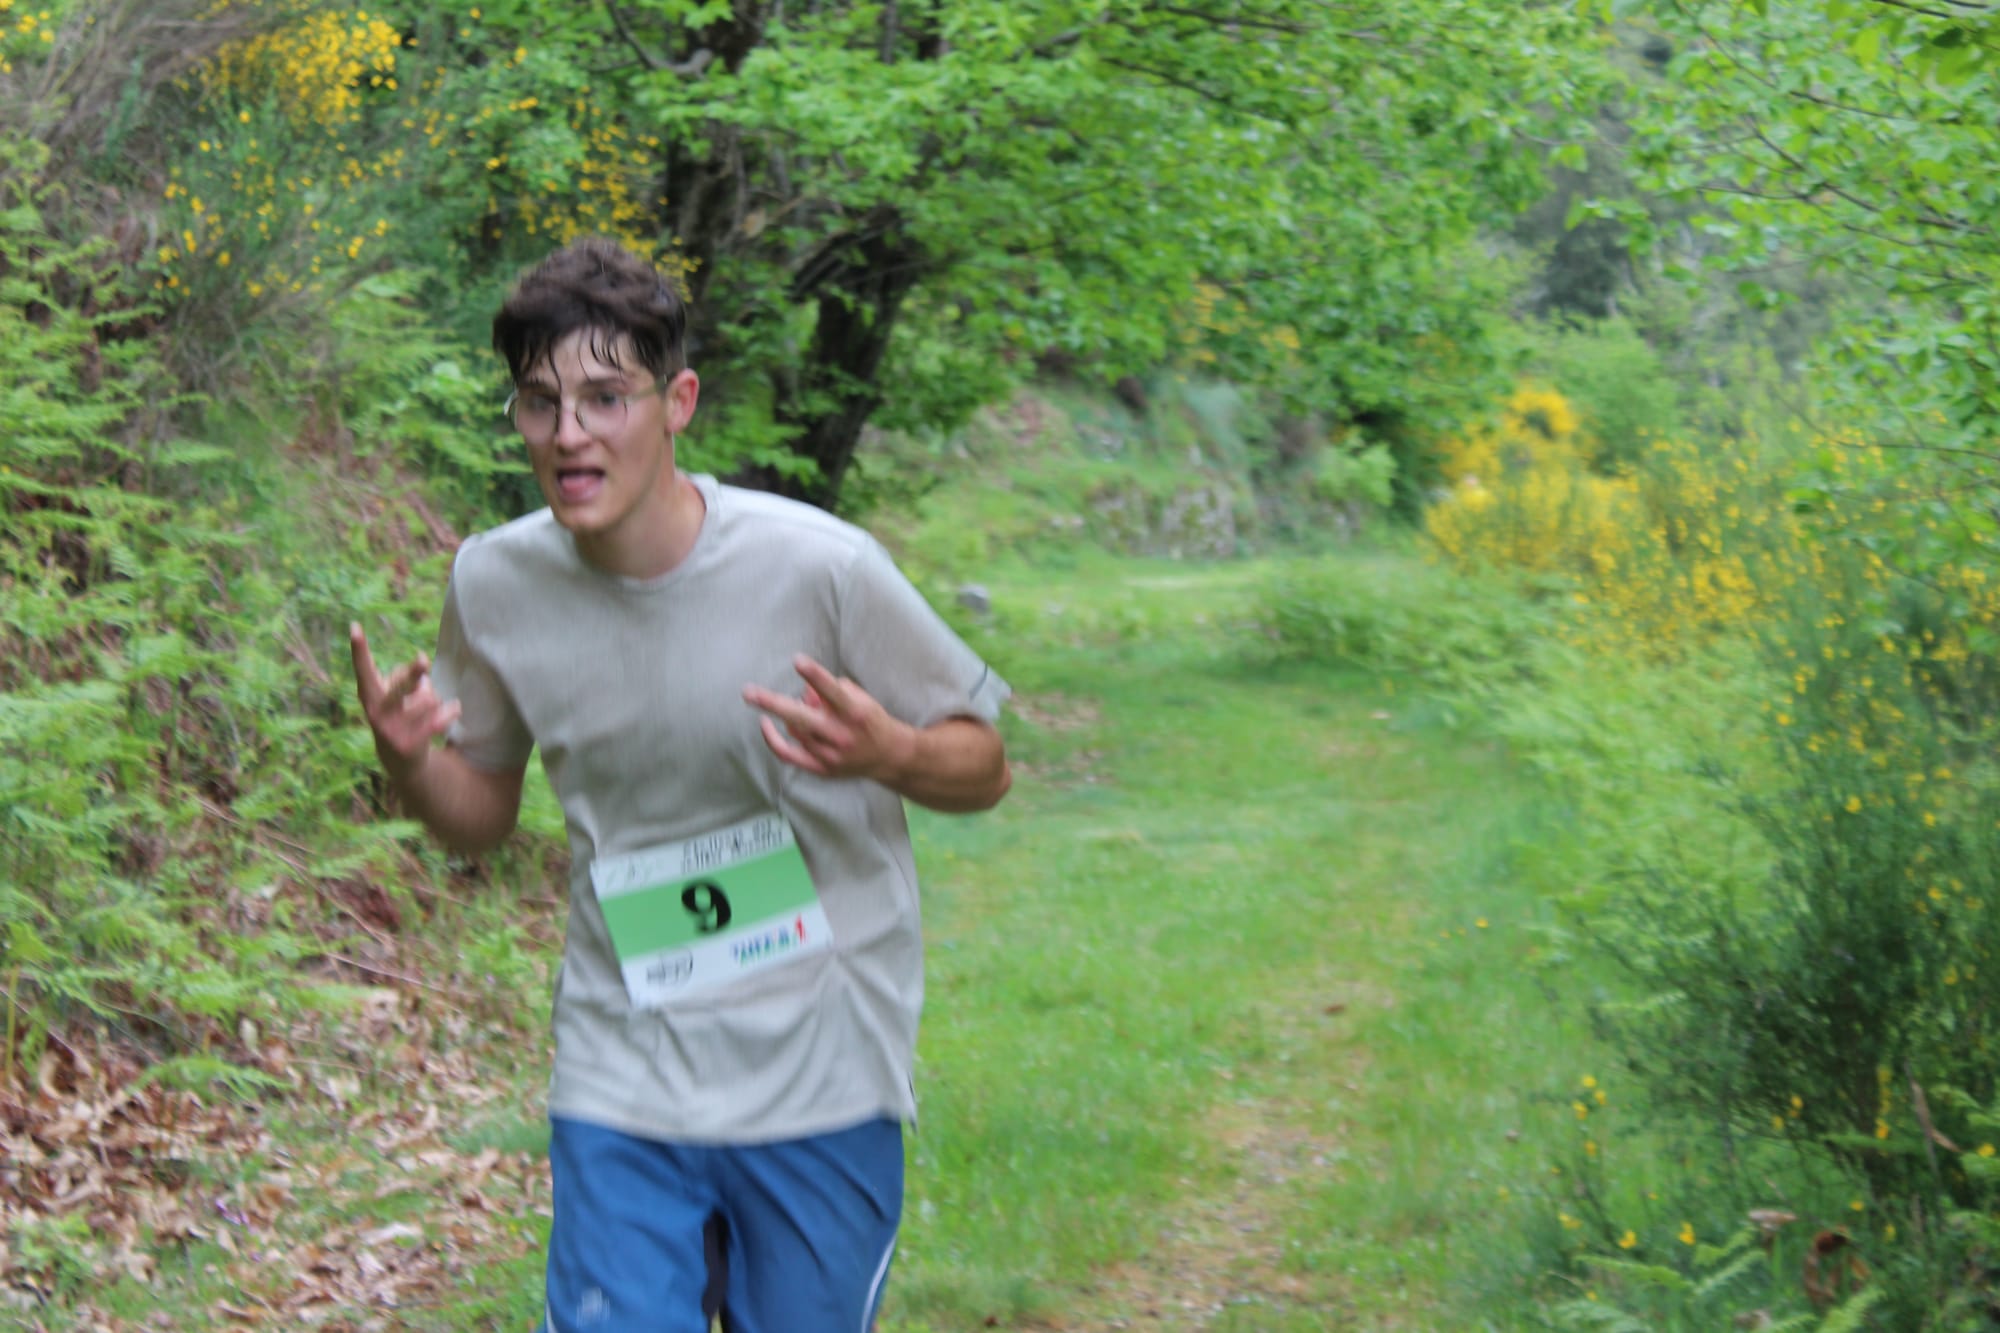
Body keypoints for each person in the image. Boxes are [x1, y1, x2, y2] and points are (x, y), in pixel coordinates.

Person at [347, 237, 1011, 1332]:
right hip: (623, 1064)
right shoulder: (495, 580)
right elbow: (482, 821)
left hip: (818, 1066)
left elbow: (981, 764)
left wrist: (887, 752)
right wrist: (411, 764)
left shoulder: (818, 567)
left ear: (678, 402)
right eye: (539, 401)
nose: (569, 435)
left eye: (607, 397)